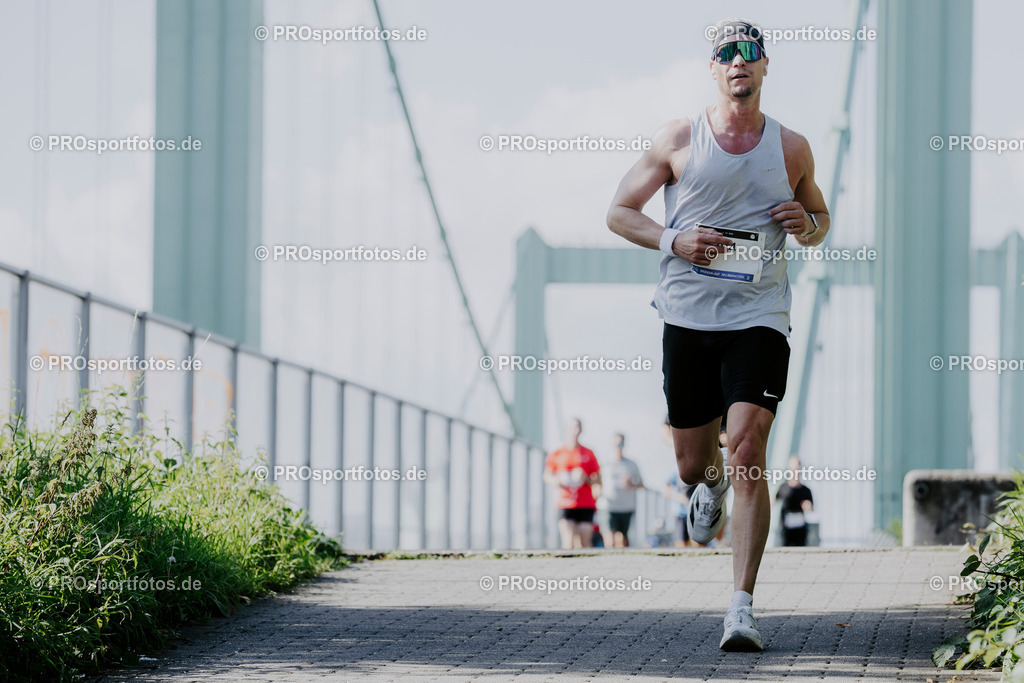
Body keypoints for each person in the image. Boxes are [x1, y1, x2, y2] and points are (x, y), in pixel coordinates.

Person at [607, 18, 830, 652]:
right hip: (687, 316)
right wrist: (673, 238)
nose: (739, 62)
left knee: (748, 448)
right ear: (713, 68)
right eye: (726, 53)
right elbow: (618, 211)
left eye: (750, 53)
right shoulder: (679, 138)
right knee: (693, 463)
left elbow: (819, 217)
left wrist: (806, 223)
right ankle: (706, 494)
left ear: (765, 67)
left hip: (759, 315)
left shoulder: (791, 147)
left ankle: (741, 608)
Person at [543, 418, 601, 548]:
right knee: (568, 542)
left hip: (585, 503)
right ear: (567, 430)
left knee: (584, 543)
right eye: (572, 427)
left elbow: (598, 479)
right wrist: (557, 480)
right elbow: (547, 475)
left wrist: (585, 478)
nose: (574, 430)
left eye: (577, 427)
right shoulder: (557, 453)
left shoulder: (589, 453)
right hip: (565, 502)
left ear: (581, 430)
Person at [601, 433, 644, 547]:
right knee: (609, 539)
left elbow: (641, 484)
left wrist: (631, 483)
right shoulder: (605, 463)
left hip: (626, 507)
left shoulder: (632, 464)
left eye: (621, 443)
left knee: (622, 540)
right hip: (608, 506)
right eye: (616, 443)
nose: (619, 446)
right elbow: (597, 481)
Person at [776, 455, 814, 546]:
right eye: (792, 468)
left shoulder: (806, 490)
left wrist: (808, 506)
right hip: (786, 533)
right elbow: (771, 502)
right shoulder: (783, 488)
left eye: (797, 468)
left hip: (800, 533)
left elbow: (811, 508)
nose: (794, 471)